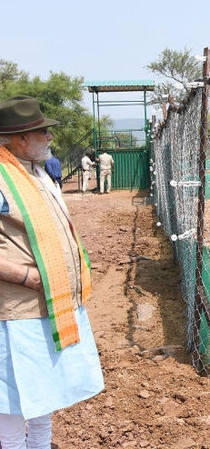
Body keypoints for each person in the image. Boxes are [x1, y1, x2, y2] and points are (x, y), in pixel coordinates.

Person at [0, 95, 104, 448]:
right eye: (42, 132)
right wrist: (27, 277)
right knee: (11, 404)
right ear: (19, 139)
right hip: (15, 314)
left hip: (47, 306)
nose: (49, 137)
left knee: (44, 394)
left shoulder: (34, 172)